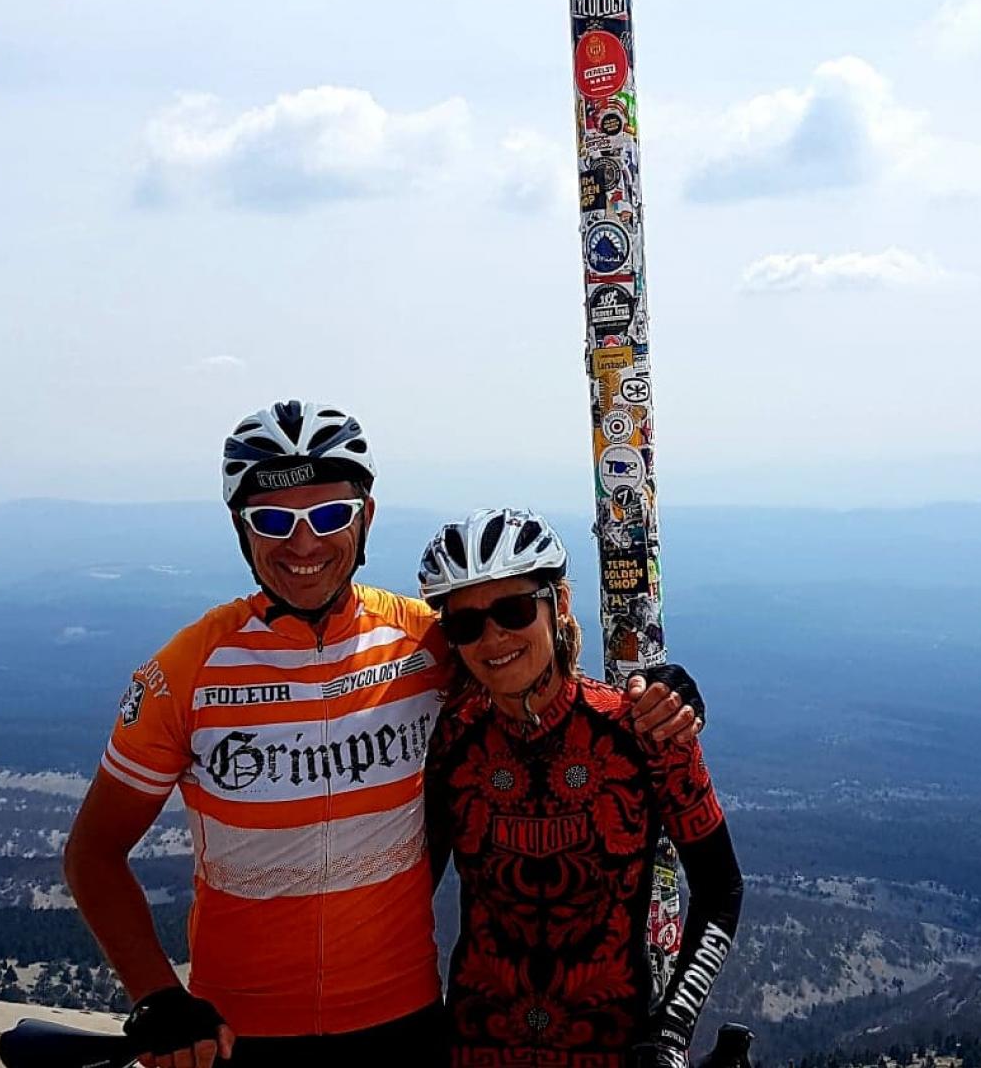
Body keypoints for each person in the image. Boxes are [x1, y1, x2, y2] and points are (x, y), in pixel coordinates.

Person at [61, 401, 702, 1068]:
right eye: (274, 521)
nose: (304, 545)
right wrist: (157, 996)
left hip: (405, 1025)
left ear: (365, 518)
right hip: (238, 1032)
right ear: (240, 529)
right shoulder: (186, 671)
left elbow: (528, 667)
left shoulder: (428, 643)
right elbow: (94, 854)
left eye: (331, 516)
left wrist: (662, 694)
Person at [420, 508, 743, 1068]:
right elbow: (411, 889)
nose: (493, 638)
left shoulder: (644, 732)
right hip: (473, 1049)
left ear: (559, 604)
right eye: (466, 625)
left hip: (615, 1051)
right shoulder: (451, 737)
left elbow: (721, 891)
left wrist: (672, 1030)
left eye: (514, 610)